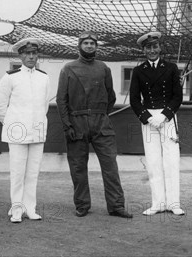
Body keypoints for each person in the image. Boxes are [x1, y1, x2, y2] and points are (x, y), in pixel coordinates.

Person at [56, 31, 132, 218]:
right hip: (76, 123)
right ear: (79, 46)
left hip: (101, 124)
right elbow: (61, 100)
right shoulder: (68, 68)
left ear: (96, 46)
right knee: (78, 167)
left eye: (93, 43)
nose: (89, 46)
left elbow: (111, 96)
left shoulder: (103, 68)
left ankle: (116, 206)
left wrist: (100, 116)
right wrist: (68, 125)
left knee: (110, 166)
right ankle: (82, 205)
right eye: (86, 43)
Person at [0, 38, 51, 223]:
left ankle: (30, 208)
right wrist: (12, 124)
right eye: (27, 53)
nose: (31, 56)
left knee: (33, 172)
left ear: (37, 55)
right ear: (21, 55)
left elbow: (44, 106)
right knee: (17, 173)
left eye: (34, 53)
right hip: (16, 133)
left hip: (37, 132)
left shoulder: (44, 77)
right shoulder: (10, 77)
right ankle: (16, 209)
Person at [130, 31, 184, 216]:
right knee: (153, 162)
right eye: (148, 47)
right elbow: (135, 100)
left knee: (171, 161)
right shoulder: (138, 71)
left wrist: (165, 115)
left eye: (155, 46)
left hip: (167, 117)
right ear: (144, 50)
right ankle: (158, 203)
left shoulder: (171, 68)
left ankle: (174, 203)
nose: (152, 50)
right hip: (148, 120)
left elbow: (178, 96)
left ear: (160, 47)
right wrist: (147, 117)